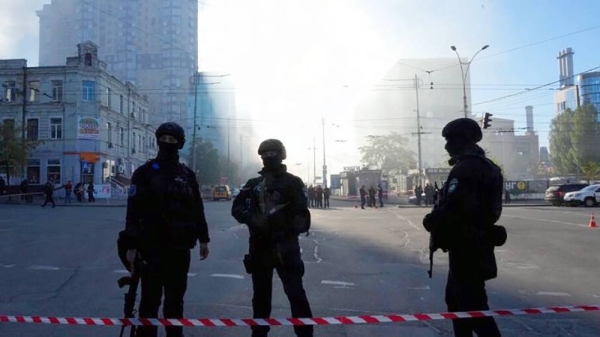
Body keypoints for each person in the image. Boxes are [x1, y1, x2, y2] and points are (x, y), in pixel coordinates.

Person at [119, 122, 211, 337]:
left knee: (175, 301)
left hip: (180, 248)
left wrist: (204, 238)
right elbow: (133, 211)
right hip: (151, 248)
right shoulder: (145, 173)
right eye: (164, 139)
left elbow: (197, 207)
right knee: (150, 301)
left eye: (173, 140)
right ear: (158, 140)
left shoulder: (187, 174)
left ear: (180, 144)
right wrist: (131, 245)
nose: (168, 143)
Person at [423, 118, 506, 337]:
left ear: (464, 139)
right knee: (458, 304)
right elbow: (492, 210)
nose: (447, 146)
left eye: (450, 139)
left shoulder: (465, 169)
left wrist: (432, 220)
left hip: (466, 247)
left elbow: (456, 209)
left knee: (472, 307)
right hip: (479, 244)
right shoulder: (491, 169)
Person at [231, 139, 313, 337]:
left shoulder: (293, 183)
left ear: (282, 154)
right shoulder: (254, 185)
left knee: (296, 295)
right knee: (260, 298)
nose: (269, 158)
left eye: (272, 153)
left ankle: (305, 334)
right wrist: (254, 220)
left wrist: (284, 227)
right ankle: (259, 333)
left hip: (286, 247)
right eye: (265, 154)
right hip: (260, 247)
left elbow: (302, 214)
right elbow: (237, 208)